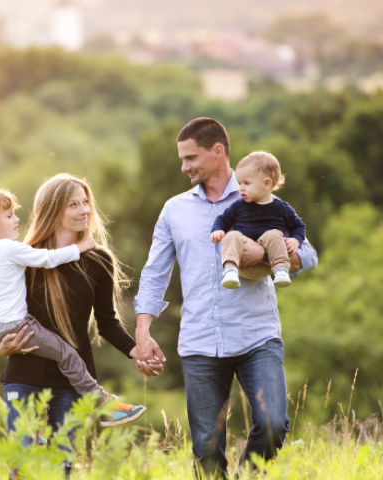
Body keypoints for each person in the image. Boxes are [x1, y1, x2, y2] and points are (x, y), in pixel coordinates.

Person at [132, 118, 318, 478]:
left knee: (273, 424)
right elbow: (154, 273)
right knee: (206, 449)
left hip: (256, 336)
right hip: (200, 340)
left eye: (191, 158)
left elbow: (308, 255)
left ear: (218, 151)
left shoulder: (263, 197)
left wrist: (266, 256)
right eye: (182, 159)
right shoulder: (174, 210)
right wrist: (143, 330)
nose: (184, 167)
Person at [0, 184, 146, 427]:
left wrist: (136, 350)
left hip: (71, 384)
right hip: (24, 378)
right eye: (74, 204)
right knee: (24, 450)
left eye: (85, 202)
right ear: (53, 210)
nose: (84, 210)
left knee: (63, 454)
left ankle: (102, 404)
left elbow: (107, 322)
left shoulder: (98, 261)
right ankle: (102, 403)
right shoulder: (25, 255)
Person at [210, 151, 306, 289]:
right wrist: (217, 230)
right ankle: (230, 270)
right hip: (242, 264)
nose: (241, 188)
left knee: (274, 234)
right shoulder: (238, 205)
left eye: (246, 183)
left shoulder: (281, 208)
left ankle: (281, 271)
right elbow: (222, 219)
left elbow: (298, 226)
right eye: (239, 183)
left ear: (266, 184)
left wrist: (296, 240)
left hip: (268, 266)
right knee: (232, 235)